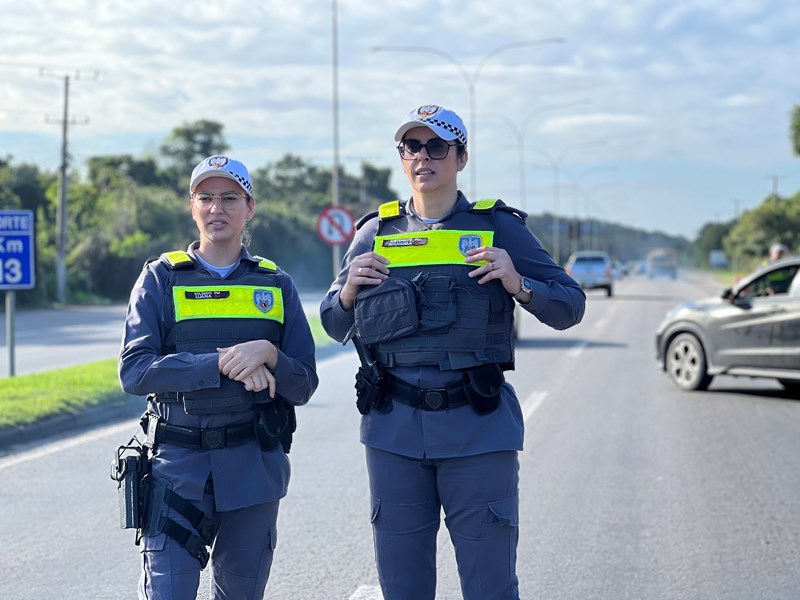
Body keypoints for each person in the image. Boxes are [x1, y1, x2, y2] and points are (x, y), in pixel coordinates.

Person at [319, 104, 586, 599]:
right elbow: (333, 322)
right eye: (412, 147)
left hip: (477, 429)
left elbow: (570, 306)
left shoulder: (498, 228)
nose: (424, 157)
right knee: (404, 590)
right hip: (394, 431)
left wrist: (519, 282)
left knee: (490, 588)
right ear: (402, 159)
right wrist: (349, 293)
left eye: (437, 146)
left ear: (460, 157)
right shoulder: (376, 232)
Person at [118, 154, 318, 599]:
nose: (217, 208)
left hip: (253, 469)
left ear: (250, 207)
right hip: (175, 472)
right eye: (205, 197)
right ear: (192, 206)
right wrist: (221, 363)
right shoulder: (160, 279)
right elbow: (134, 371)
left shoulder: (276, 284)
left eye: (229, 198)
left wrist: (269, 355)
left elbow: (304, 382)